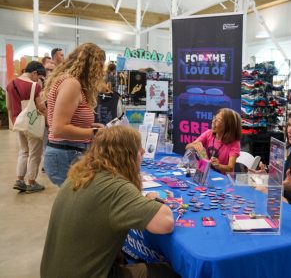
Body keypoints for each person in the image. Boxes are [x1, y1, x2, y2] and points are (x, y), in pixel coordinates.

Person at [40, 126, 178, 278]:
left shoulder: (78, 176)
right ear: (127, 154)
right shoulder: (117, 187)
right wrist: (152, 200)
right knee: (165, 272)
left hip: (52, 272)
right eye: (138, 148)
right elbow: (166, 223)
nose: (144, 151)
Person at [42, 43, 105, 186]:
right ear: (91, 65)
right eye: (100, 67)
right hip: (66, 155)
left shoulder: (70, 82)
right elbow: (59, 129)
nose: (101, 73)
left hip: (68, 153)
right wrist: (95, 132)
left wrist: (91, 126)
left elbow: (66, 120)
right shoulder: (71, 84)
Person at [6, 61, 47, 193]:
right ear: (34, 73)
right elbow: (40, 106)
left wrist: (14, 122)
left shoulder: (10, 84)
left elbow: (9, 106)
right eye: (40, 77)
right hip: (33, 123)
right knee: (35, 154)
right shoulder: (35, 86)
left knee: (24, 151)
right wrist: (48, 119)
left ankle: (19, 180)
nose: (40, 80)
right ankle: (32, 182)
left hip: (19, 122)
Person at [185, 108, 241, 174]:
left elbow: (230, 168)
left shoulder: (234, 142)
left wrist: (219, 166)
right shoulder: (209, 133)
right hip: (206, 173)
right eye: (215, 118)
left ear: (228, 126)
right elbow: (187, 147)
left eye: (218, 120)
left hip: (223, 179)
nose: (213, 121)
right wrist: (194, 145)